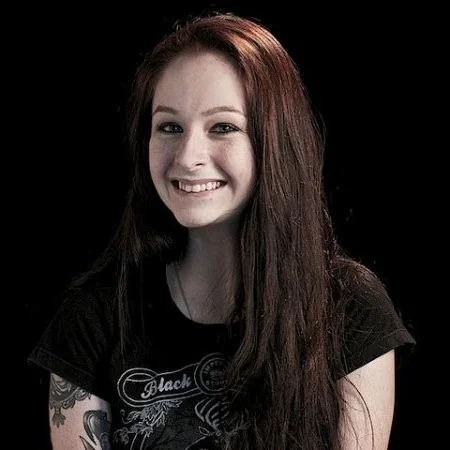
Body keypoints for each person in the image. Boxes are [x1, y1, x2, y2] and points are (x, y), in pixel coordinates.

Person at [28, 12, 415, 450]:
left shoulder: (349, 306)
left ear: (274, 140)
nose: (187, 156)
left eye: (223, 127)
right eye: (169, 127)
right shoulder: (94, 317)